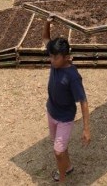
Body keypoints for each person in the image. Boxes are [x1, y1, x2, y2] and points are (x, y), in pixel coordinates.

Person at [43, 15, 91, 183]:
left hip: (65, 118)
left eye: (55, 58)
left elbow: (83, 101)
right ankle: (68, 167)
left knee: (57, 152)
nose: (51, 60)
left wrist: (86, 129)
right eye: (51, 56)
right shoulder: (55, 61)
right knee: (59, 147)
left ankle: (62, 179)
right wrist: (47, 23)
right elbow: (46, 39)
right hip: (51, 111)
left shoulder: (72, 76)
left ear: (65, 56)